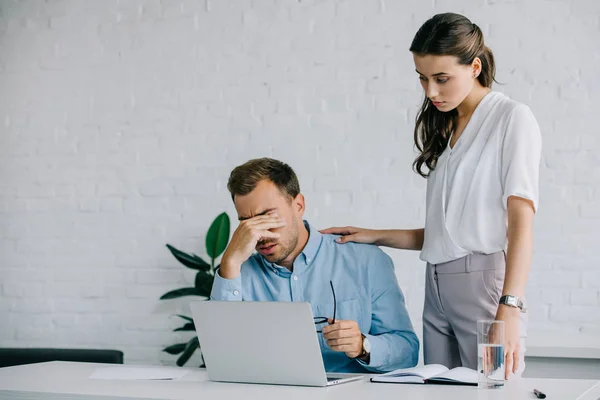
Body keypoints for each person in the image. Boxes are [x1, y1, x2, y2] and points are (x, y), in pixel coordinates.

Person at [322, 13, 541, 379]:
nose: (430, 92)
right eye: (423, 78)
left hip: (484, 283)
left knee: (492, 387)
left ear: (474, 67)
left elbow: (521, 226)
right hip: (435, 284)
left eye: (441, 79)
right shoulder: (447, 127)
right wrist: (374, 235)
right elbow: (445, 236)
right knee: (439, 388)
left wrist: (511, 307)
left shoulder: (511, 119)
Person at [210, 157, 419, 373]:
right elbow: (218, 356)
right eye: (247, 222)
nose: (260, 234)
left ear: (298, 205)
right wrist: (230, 262)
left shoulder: (365, 261)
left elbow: (408, 352)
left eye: (267, 216)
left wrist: (362, 346)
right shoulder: (237, 274)